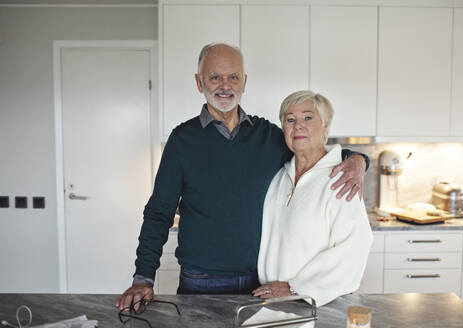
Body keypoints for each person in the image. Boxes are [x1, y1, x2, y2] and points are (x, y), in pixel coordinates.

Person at [116, 43, 369, 310]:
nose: (225, 86)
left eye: (233, 77)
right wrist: (143, 276)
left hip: (259, 282)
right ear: (199, 83)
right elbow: (158, 213)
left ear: (244, 82)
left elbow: (310, 147)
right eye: (215, 77)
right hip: (200, 281)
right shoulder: (182, 140)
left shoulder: (268, 136)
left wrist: (358, 159)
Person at [253, 91, 373, 307]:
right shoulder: (279, 177)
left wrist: (295, 288)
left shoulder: (342, 177)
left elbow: (354, 248)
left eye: (308, 117)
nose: (298, 125)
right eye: (290, 119)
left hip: (319, 304)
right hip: (274, 302)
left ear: (326, 126)